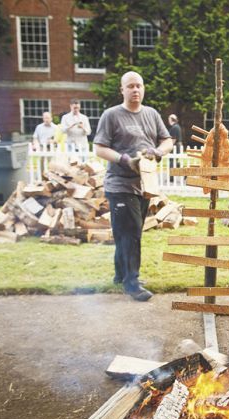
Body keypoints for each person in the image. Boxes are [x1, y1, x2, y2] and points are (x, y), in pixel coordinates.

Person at [93, 71, 173, 301]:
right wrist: (125, 160)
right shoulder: (112, 115)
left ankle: (121, 275)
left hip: (144, 184)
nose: (135, 90)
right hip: (120, 184)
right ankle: (132, 282)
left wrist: (158, 151)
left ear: (144, 88)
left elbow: (167, 140)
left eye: (138, 85)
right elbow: (99, 148)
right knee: (129, 234)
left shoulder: (151, 114)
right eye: (130, 86)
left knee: (130, 231)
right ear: (122, 90)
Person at [167, 114, 182, 182]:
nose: (168, 120)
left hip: (175, 146)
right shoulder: (176, 126)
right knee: (176, 162)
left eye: (169, 119)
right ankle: (185, 174)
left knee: (172, 161)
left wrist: (168, 146)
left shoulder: (174, 127)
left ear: (172, 119)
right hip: (177, 146)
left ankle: (171, 177)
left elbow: (173, 139)